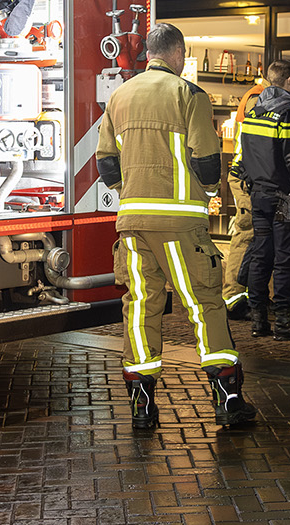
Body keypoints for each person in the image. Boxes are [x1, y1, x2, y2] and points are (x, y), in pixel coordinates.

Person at [97, 23, 254, 429]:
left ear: (149, 53)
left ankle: (142, 406)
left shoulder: (119, 96)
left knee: (140, 306)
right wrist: (205, 189)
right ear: (179, 55)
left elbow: (106, 164)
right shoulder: (189, 94)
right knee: (204, 303)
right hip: (181, 223)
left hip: (131, 222)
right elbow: (205, 160)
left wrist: (131, 187)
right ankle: (228, 399)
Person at [238, 58, 290, 341]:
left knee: (261, 255)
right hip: (286, 197)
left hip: (259, 194)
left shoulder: (253, 112)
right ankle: (284, 320)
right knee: (285, 259)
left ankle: (258, 319)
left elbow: (244, 155)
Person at [221, 81, 261, 320]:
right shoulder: (258, 99)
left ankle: (241, 295)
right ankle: (233, 297)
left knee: (251, 239)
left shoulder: (255, 97)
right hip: (247, 177)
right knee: (245, 235)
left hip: (246, 175)